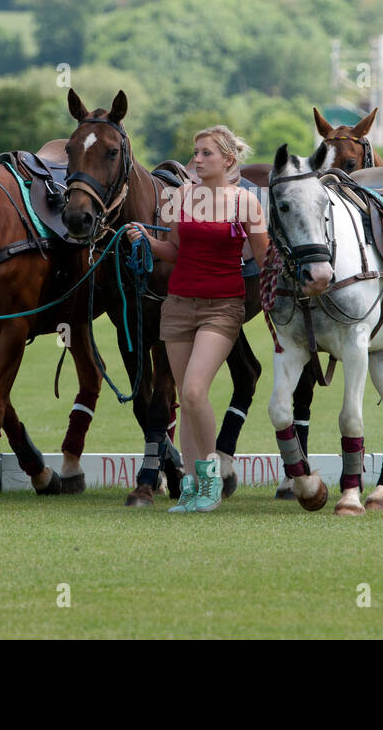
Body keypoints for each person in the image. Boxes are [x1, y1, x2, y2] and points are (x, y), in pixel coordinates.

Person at [125, 126, 268, 512]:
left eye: (206, 153)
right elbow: (173, 250)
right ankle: (190, 485)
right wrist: (144, 239)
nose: (197, 159)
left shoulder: (246, 203)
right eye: (196, 153)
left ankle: (209, 482)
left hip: (223, 307)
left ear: (228, 160)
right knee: (185, 402)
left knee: (192, 391)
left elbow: (265, 259)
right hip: (178, 305)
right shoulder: (178, 198)